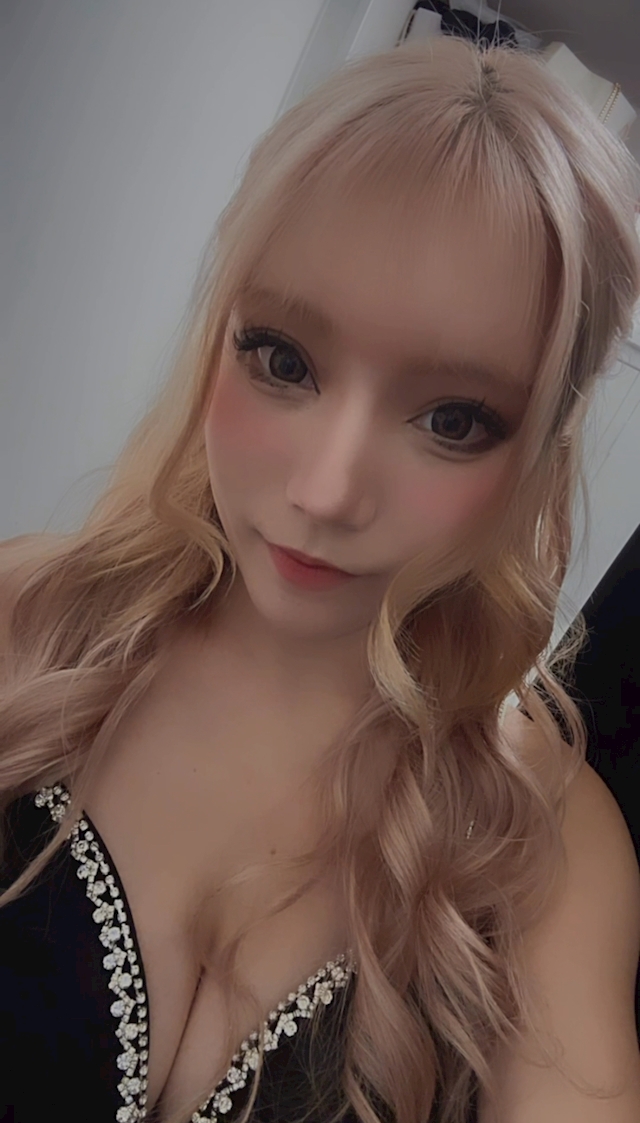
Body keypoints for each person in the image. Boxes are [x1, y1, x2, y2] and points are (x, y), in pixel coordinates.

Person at [1, 33, 639, 1123]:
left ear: (540, 448)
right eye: (283, 359)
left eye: (452, 420)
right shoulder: (26, 623)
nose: (328, 489)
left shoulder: (544, 843)